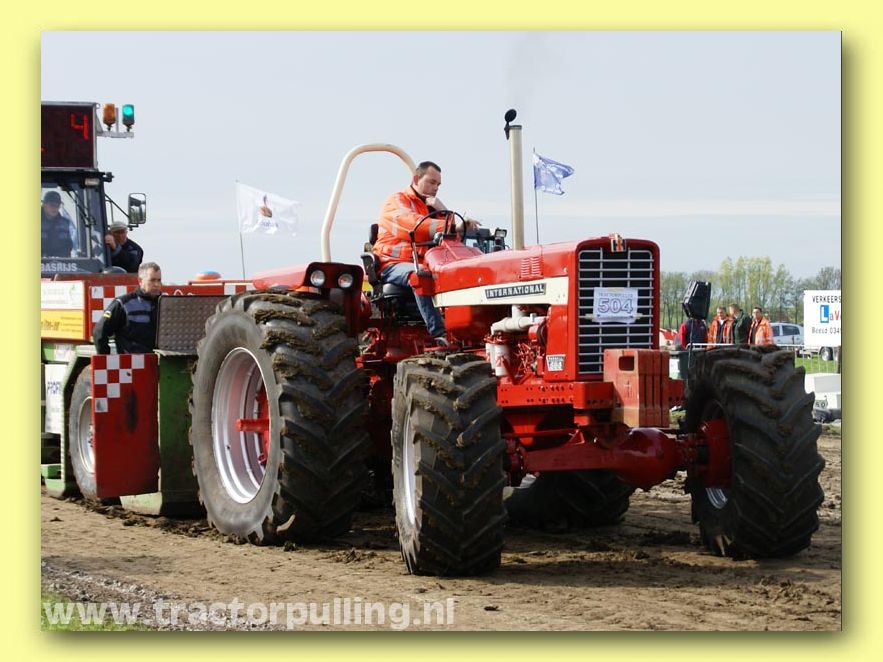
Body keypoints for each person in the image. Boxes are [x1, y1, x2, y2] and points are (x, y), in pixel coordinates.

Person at [372, 161, 478, 344]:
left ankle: (469, 331)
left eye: (438, 184)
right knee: (419, 275)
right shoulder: (396, 201)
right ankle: (440, 335)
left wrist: (442, 209)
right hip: (391, 263)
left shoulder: (432, 208)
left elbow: (452, 239)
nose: (435, 188)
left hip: (424, 263)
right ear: (416, 179)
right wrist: (453, 224)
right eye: (431, 182)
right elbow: (414, 226)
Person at [93, 262, 163, 354]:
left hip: (163, 361)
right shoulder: (123, 304)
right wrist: (106, 358)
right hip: (131, 361)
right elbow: (99, 332)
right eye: (152, 280)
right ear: (140, 281)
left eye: (159, 280)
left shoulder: (165, 304)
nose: (157, 284)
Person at [40, 190, 75, 258]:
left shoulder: (65, 223)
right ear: (44, 204)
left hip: (60, 262)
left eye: (57, 205)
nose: (55, 208)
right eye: (52, 205)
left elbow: (68, 246)